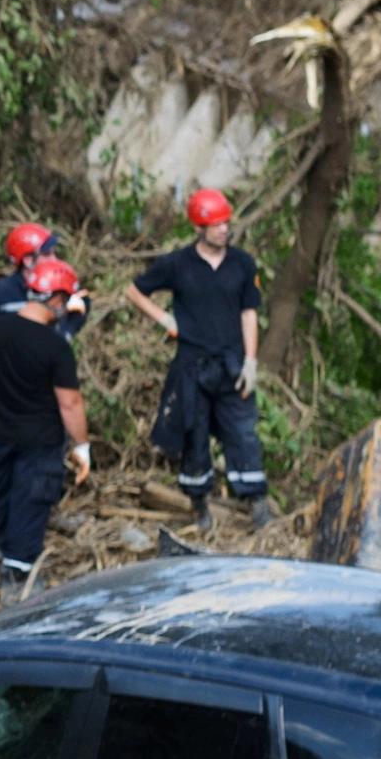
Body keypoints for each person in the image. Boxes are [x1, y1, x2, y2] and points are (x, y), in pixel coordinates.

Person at [131, 187, 270, 531]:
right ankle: (200, 505)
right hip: (191, 366)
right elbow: (134, 290)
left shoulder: (242, 263)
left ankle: (257, 503)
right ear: (201, 227)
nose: (225, 229)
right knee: (194, 436)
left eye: (227, 223)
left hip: (231, 364)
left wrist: (251, 361)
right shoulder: (178, 264)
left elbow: (248, 314)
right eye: (217, 224)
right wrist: (165, 320)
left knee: (243, 433)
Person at [0, 255, 91, 598]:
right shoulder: (54, 346)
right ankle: (16, 579)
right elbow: (70, 403)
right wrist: (81, 446)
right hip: (40, 442)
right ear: (57, 300)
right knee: (29, 504)